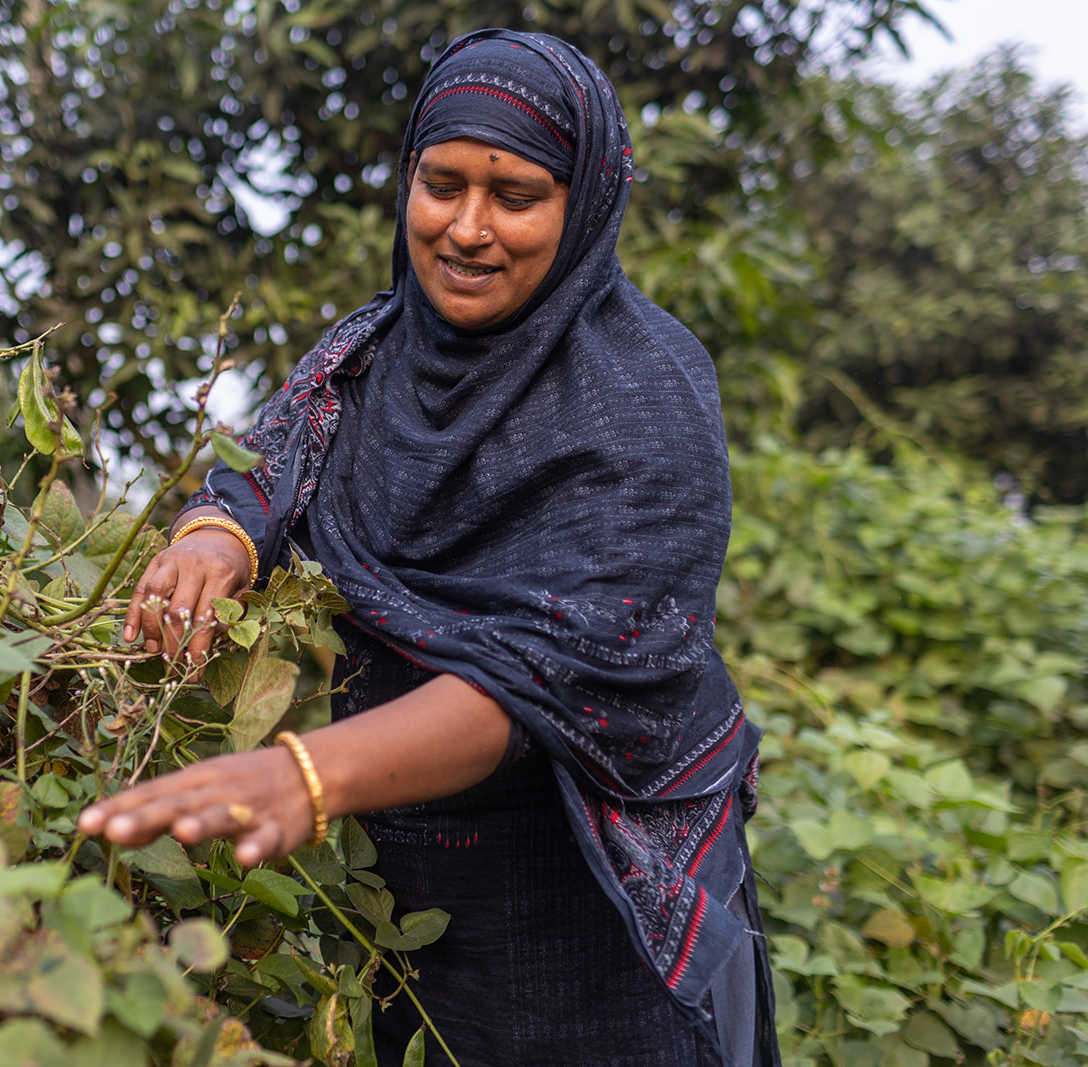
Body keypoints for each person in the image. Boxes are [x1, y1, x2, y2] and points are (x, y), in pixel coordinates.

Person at [77, 28, 779, 1067]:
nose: (466, 228)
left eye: (516, 195)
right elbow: (277, 452)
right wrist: (213, 538)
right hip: (407, 887)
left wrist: (302, 777)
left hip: (590, 902)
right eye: (439, 183)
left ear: (583, 203)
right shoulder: (372, 349)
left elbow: (555, 673)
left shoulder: (645, 396)